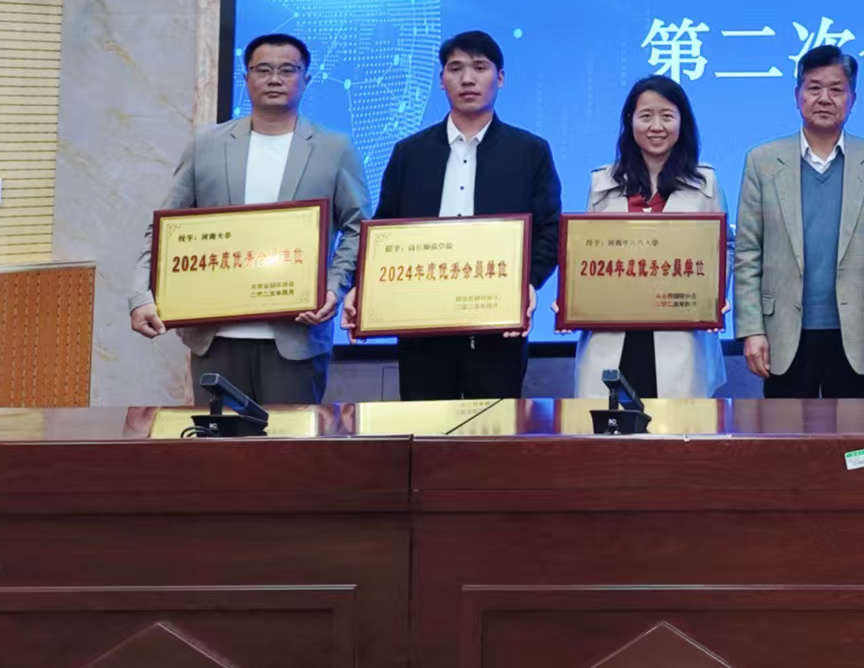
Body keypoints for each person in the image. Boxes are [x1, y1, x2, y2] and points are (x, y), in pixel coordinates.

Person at [129, 33, 367, 406]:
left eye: (287, 70)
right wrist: (141, 295)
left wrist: (334, 288)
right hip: (215, 334)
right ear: (246, 77)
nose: (275, 79)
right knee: (219, 440)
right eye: (263, 69)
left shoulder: (334, 148)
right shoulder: (206, 145)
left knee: (289, 440)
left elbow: (357, 228)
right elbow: (166, 229)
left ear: (306, 78)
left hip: (296, 338)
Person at [349, 30, 562, 401]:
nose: (467, 79)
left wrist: (526, 282)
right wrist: (363, 289)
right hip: (421, 324)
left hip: (498, 327)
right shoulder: (409, 153)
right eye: (456, 68)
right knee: (424, 427)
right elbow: (384, 230)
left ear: (500, 78)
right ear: (441, 79)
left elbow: (549, 230)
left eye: (480, 67)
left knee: (494, 429)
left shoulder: (530, 151)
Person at [733, 45, 864, 398]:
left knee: (857, 433)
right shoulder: (762, 162)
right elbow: (748, 253)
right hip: (783, 332)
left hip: (858, 333)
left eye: (836, 89)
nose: (824, 98)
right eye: (814, 88)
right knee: (786, 432)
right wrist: (751, 328)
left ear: (852, 99)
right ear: (797, 95)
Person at [573, 76, 727, 400]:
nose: (656, 126)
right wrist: (573, 295)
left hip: (679, 335)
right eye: (645, 116)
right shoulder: (602, 183)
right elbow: (584, 252)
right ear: (630, 121)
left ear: (682, 122)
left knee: (678, 427)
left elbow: (723, 247)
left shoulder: (706, 184)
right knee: (610, 424)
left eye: (667, 116)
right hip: (613, 333)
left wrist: (715, 294)